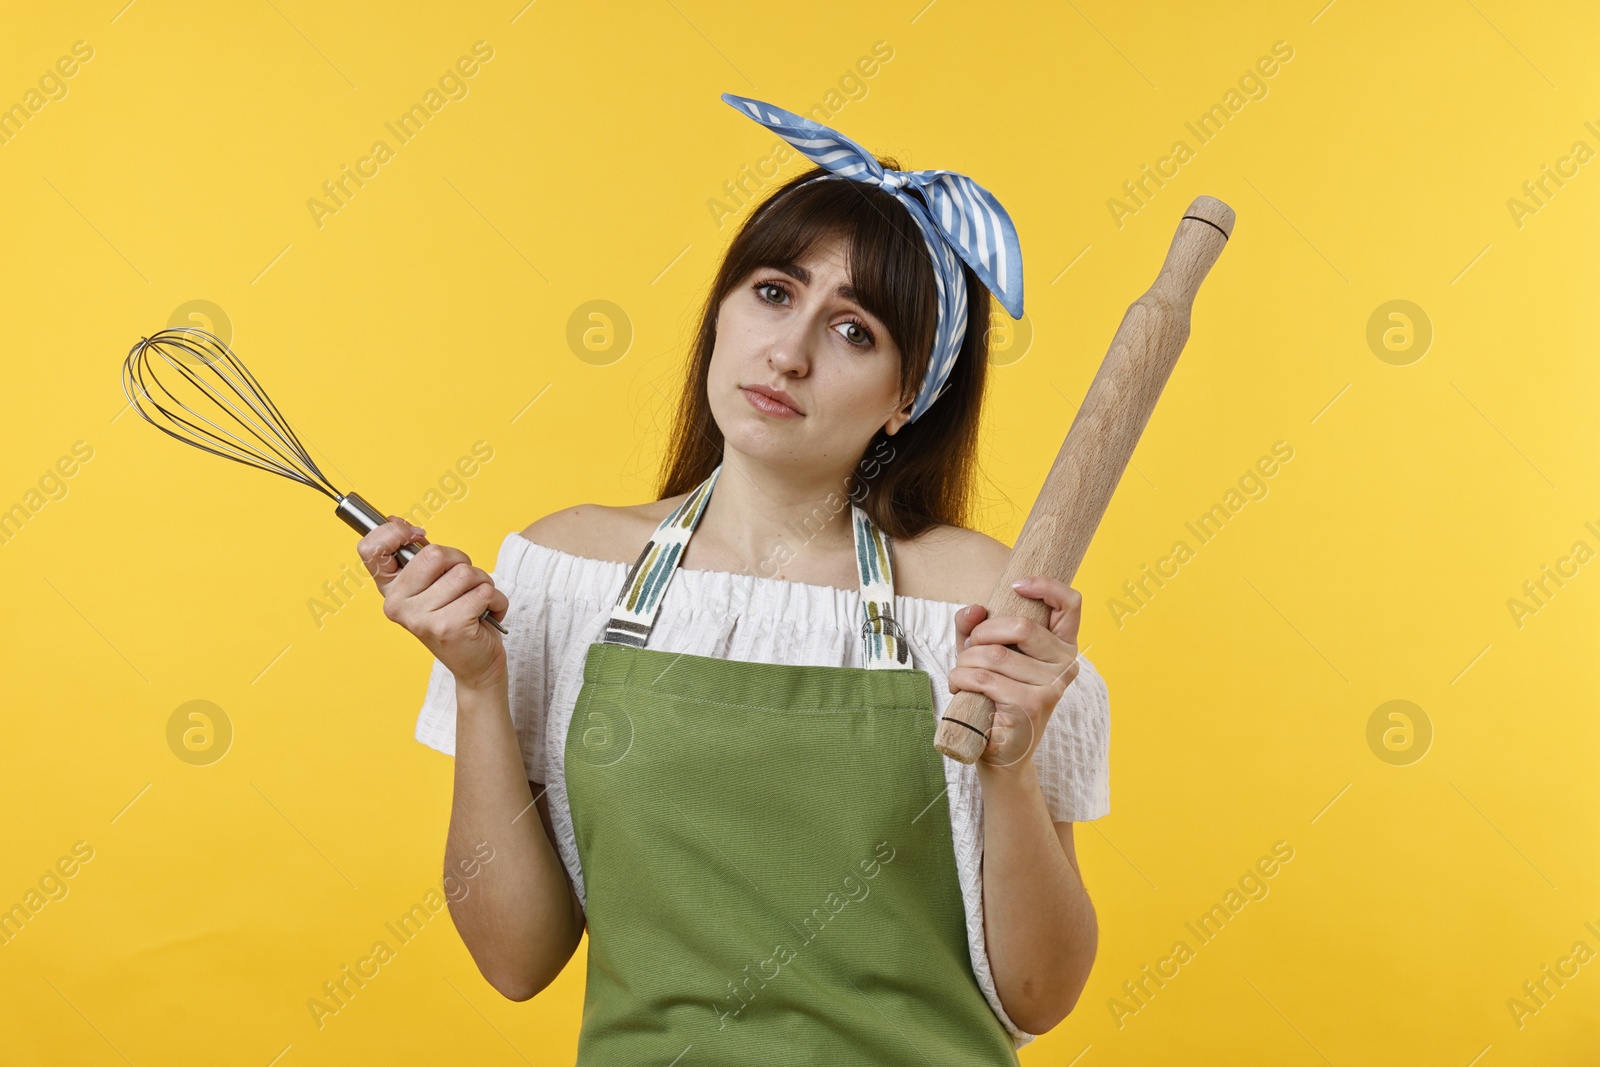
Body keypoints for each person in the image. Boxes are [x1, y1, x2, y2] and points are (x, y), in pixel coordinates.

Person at [358, 95, 1110, 1064]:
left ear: (907, 397)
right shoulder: (562, 574)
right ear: (718, 308)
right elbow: (516, 959)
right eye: (771, 291)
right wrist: (477, 681)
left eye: (853, 332)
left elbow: (1042, 994)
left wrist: (1007, 761)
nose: (787, 352)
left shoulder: (984, 607)